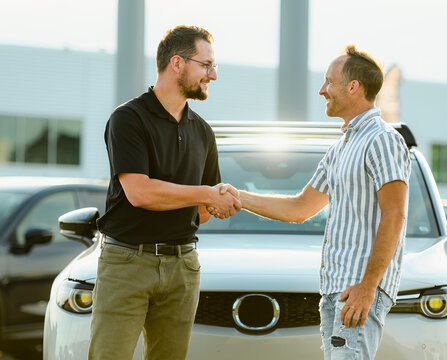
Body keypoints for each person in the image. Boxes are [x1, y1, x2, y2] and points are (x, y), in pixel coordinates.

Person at [214, 46, 411, 359]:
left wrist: (367, 287)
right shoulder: (341, 148)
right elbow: (299, 208)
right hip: (335, 290)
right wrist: (237, 196)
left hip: (357, 289)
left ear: (353, 86)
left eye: (328, 82)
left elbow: (395, 214)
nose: (322, 91)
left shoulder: (382, 139)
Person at [90, 25, 241, 360]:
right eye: (206, 65)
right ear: (177, 63)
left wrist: (218, 203)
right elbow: (140, 193)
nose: (213, 75)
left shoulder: (203, 132)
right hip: (126, 262)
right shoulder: (128, 119)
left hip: (182, 267)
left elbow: (202, 210)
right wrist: (205, 194)